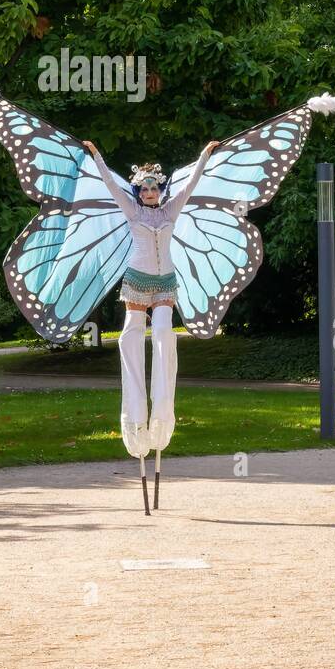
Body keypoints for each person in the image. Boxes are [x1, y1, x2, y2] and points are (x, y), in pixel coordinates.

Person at [81, 139, 219, 459]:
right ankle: (134, 416)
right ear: (138, 193)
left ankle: (161, 414)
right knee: (130, 336)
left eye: (153, 188)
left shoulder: (172, 208)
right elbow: (109, 184)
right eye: (143, 190)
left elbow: (193, 182)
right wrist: (97, 155)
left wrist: (205, 155)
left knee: (162, 335)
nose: (149, 193)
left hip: (164, 283)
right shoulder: (132, 210)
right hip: (137, 281)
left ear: (160, 189)